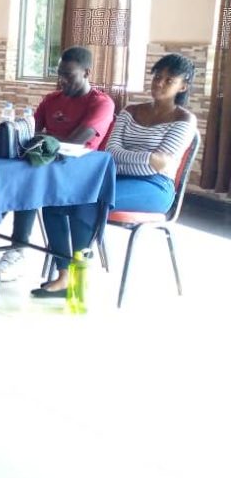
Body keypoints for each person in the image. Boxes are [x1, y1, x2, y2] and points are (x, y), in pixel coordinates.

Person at [32, 53, 197, 298]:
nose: (159, 83)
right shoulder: (131, 111)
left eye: (169, 80)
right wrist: (148, 158)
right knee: (54, 199)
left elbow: (159, 167)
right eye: (157, 77)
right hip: (113, 178)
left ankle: (78, 278)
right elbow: (112, 151)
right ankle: (64, 274)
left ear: (182, 86)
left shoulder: (184, 120)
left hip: (155, 188)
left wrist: (136, 159)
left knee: (87, 202)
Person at [0, 46, 115, 280]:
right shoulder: (52, 99)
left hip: (81, 173)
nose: (62, 81)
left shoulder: (101, 103)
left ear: (86, 73)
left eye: (68, 75)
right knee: (18, 176)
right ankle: (2, 237)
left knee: (29, 181)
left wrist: (45, 137)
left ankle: (17, 248)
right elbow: (29, 131)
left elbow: (76, 140)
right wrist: (44, 138)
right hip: (50, 165)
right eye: (60, 74)